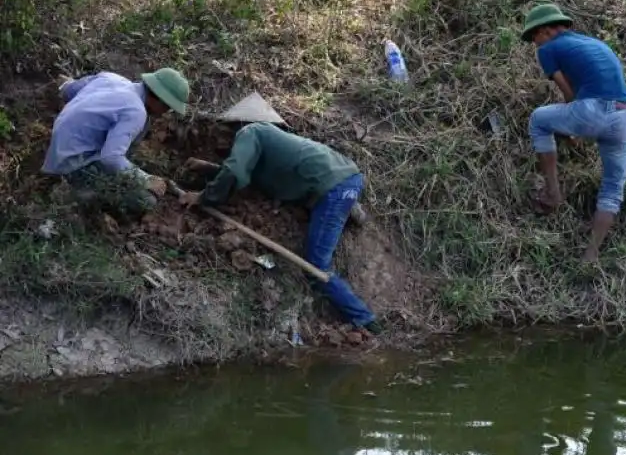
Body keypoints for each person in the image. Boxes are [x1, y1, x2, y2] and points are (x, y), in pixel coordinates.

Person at [177, 97, 382, 335]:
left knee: (315, 266)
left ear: (240, 123)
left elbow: (233, 172)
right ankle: (349, 209)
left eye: (227, 128)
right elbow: (243, 174)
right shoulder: (272, 141)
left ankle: (365, 320)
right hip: (346, 179)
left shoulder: (251, 131)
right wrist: (209, 168)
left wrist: (202, 197)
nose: (224, 136)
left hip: (333, 190)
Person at [521, 3, 626, 263]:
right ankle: (591, 254)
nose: (534, 44)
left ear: (547, 30)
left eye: (534, 37)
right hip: (624, 115)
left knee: (538, 120)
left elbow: (568, 93)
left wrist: (573, 129)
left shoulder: (548, 48)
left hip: (593, 109)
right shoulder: (594, 44)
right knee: (613, 187)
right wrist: (574, 128)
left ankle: (552, 194)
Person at [42, 68, 190, 214]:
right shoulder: (136, 111)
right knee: (146, 200)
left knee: (126, 163)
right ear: (160, 99)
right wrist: (146, 179)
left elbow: (69, 90)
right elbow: (110, 158)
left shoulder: (111, 78)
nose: (165, 113)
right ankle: (73, 196)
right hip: (71, 164)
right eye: (167, 107)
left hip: (56, 146)